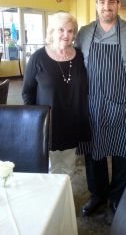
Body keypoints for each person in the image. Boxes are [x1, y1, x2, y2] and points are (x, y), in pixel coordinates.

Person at [75, 0, 126, 215]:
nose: (106, 7)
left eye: (111, 2)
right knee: (94, 155)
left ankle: (116, 198)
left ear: (118, 4)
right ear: (96, 5)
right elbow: (72, 62)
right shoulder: (84, 32)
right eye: (102, 2)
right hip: (92, 105)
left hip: (121, 104)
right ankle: (98, 194)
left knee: (122, 154)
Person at [22, 12, 91, 184]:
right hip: (49, 124)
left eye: (70, 31)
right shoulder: (38, 58)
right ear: (52, 31)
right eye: (61, 30)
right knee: (50, 168)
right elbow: (27, 92)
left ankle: (64, 202)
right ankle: (50, 203)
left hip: (72, 122)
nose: (66, 35)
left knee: (68, 168)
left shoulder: (79, 56)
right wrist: (35, 122)